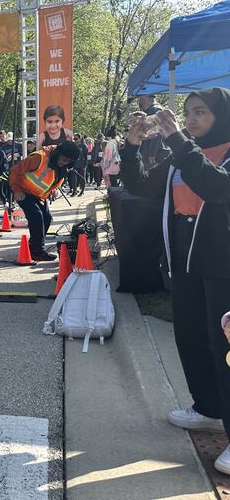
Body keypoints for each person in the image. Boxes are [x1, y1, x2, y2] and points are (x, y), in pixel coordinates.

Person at [120, 88, 230, 475]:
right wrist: (132, 146)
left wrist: (179, 141)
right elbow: (140, 185)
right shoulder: (182, 155)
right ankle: (208, 408)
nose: (192, 119)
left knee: (225, 346)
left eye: (201, 112)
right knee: (192, 336)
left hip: (223, 264)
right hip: (185, 259)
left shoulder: (210, 153)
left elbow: (217, 187)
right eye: (188, 112)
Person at [9, 140, 79, 261]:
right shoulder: (39, 158)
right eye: (64, 159)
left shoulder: (62, 167)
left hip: (39, 196)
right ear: (58, 154)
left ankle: (33, 245)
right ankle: (37, 251)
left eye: (68, 161)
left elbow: (52, 180)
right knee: (36, 217)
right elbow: (15, 170)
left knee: (46, 218)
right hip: (23, 191)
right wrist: (16, 190)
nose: (65, 163)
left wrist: (53, 190)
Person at [133, 94, 171, 168]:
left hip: (154, 156)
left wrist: (152, 153)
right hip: (155, 154)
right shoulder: (152, 110)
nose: (139, 99)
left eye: (141, 96)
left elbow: (156, 133)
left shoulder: (154, 110)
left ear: (149, 97)